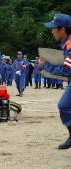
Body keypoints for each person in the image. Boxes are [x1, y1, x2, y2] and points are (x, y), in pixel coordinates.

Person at [39, 13, 71, 149]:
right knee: (64, 105)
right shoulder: (66, 43)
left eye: (54, 28)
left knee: (64, 105)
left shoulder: (70, 46)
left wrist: (45, 65)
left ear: (62, 29)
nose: (52, 31)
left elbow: (66, 71)